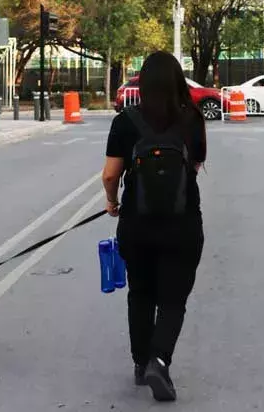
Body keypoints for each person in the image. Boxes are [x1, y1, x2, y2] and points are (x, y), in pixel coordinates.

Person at [102, 50, 207, 402]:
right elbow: (194, 167)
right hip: (183, 222)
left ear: (142, 84)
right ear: (179, 82)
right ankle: (159, 361)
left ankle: (140, 361)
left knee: (141, 293)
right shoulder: (192, 118)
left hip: (137, 222)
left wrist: (112, 201)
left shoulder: (126, 121)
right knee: (174, 298)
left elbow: (110, 174)